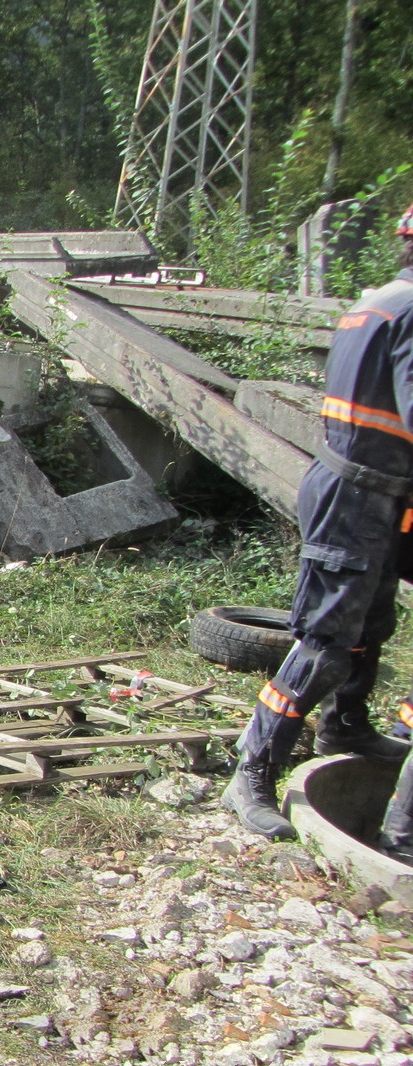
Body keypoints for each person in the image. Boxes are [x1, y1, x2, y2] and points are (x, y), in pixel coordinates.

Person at [221, 201, 413, 845]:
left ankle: (346, 726)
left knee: (371, 624)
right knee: (326, 642)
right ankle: (253, 769)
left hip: (375, 490)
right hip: (357, 494)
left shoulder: (381, 300)